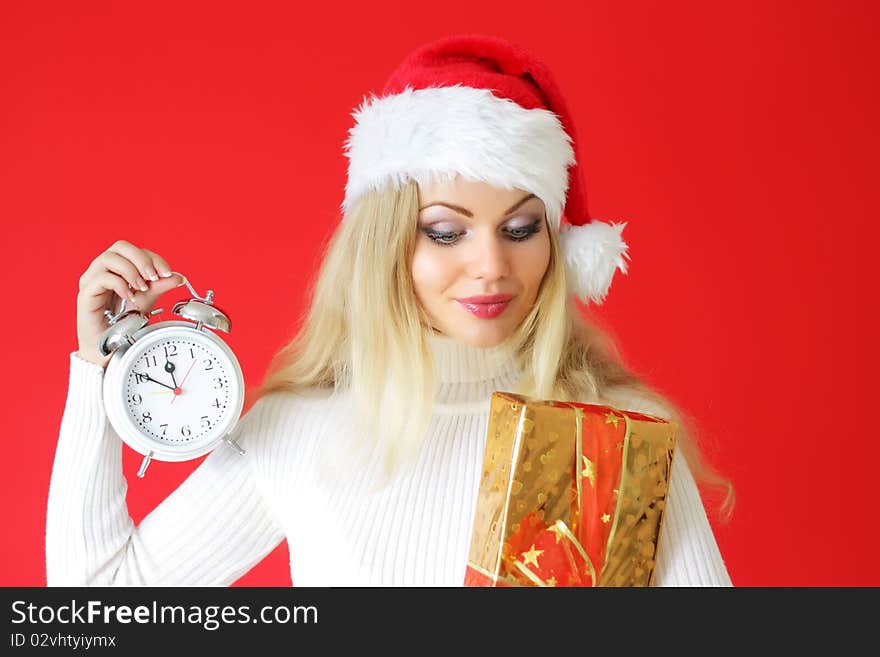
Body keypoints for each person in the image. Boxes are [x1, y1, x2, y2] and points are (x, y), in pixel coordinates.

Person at [47, 34, 734, 586]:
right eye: (446, 230)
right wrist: (97, 365)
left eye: (521, 229)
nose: (492, 264)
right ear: (387, 243)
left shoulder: (602, 440)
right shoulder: (298, 433)